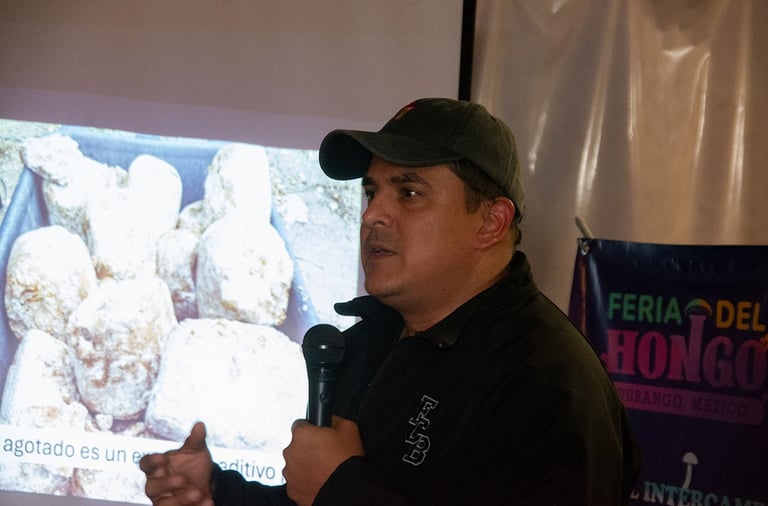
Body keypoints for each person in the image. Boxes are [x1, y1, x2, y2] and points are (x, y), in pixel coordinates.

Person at [140, 97, 641, 506]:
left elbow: (338, 491)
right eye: (371, 192)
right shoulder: (369, 341)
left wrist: (342, 490)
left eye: (409, 193)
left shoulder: (549, 386)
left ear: (491, 222)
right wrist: (219, 495)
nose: (372, 215)